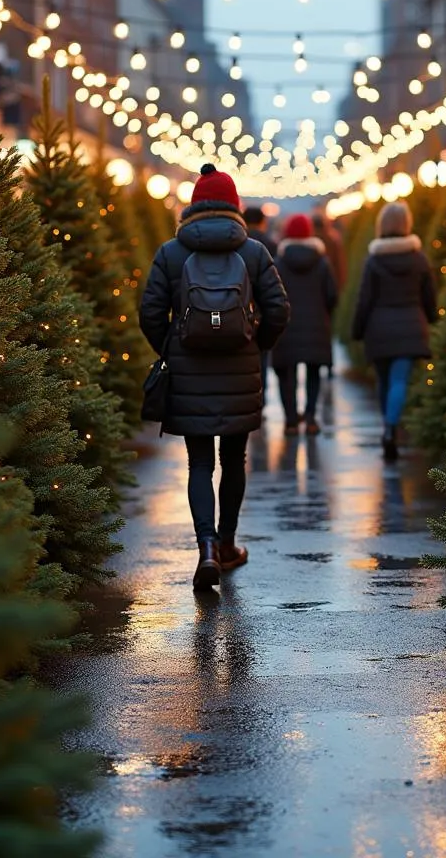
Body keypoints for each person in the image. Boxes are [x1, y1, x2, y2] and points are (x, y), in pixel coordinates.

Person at [140, 163, 290, 591]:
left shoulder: (171, 253)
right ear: (235, 207)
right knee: (234, 461)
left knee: (199, 463)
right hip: (240, 371)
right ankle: (227, 544)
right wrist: (257, 344)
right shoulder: (254, 252)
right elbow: (278, 309)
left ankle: (205, 548)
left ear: (192, 206)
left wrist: (171, 349)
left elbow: (150, 312)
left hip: (188, 373)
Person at [351, 200, 437, 462]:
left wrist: (357, 329)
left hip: (379, 329)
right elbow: (429, 295)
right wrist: (431, 317)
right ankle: (391, 429)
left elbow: (364, 299)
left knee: (384, 381)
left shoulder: (374, 260)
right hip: (411, 327)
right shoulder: (418, 258)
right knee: (399, 381)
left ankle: (386, 426)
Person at [272, 213, 338, 436]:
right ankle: (310, 418)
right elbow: (332, 295)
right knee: (314, 372)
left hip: (287, 326)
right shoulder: (322, 262)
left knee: (285, 373)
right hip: (316, 325)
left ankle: (291, 420)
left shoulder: (279, 262)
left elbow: (272, 296)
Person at [243, 204, 278, 403]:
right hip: (260, 312)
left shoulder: (238, 243)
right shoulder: (269, 245)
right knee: (261, 358)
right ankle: (260, 397)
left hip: (236, 311)